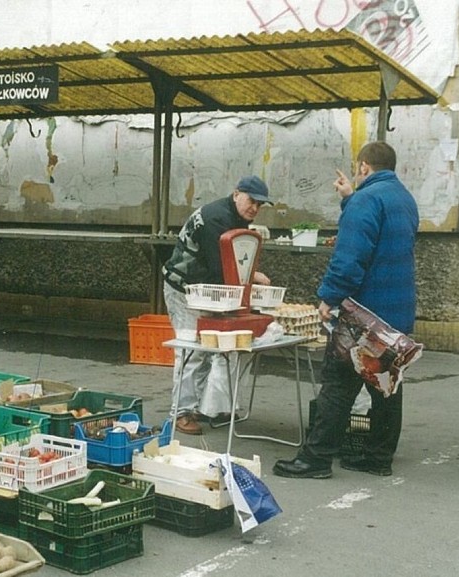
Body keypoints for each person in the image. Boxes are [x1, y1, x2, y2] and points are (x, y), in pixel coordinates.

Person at [273, 141, 418, 478]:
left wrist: (329, 297)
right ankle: (378, 457)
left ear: (363, 166)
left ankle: (316, 459)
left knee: (338, 383)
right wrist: (350, 198)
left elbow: (351, 257)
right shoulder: (404, 199)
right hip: (395, 312)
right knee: (386, 383)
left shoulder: (367, 200)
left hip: (364, 314)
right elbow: (381, 239)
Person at [163, 175, 273, 435]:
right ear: (236, 194)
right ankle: (180, 412)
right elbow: (222, 267)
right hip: (184, 289)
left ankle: (198, 406)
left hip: (207, 291)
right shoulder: (216, 219)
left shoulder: (233, 216)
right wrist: (254, 277)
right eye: (251, 201)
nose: (255, 209)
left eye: (260, 205)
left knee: (207, 348)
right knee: (191, 350)